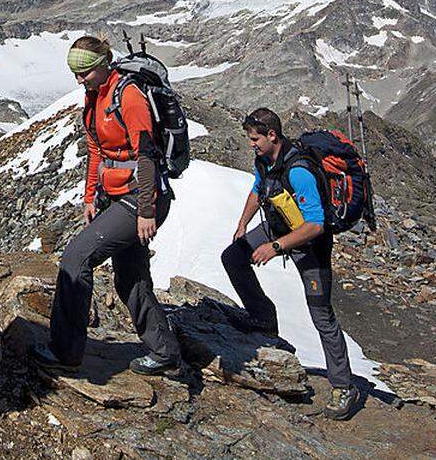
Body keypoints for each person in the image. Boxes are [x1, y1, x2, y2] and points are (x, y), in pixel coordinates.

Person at [30, 35, 182, 376]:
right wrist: (90, 196)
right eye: (75, 74)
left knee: (76, 257)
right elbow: (96, 150)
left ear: (102, 66)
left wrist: (145, 210)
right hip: (117, 197)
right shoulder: (94, 97)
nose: (79, 80)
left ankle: (65, 350)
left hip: (140, 199)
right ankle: (165, 352)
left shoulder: (127, 96)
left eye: (84, 73)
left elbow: (146, 155)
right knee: (131, 277)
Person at [219, 107, 360, 420]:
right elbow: (259, 190)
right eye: (249, 138)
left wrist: (275, 247)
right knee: (233, 256)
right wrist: (243, 224)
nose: (251, 144)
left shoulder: (298, 171)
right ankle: (263, 317)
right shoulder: (265, 160)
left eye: (255, 138)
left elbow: (315, 225)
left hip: (309, 244)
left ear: (272, 135)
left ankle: (343, 386)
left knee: (321, 315)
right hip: (278, 225)